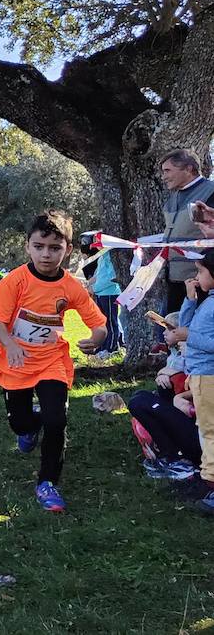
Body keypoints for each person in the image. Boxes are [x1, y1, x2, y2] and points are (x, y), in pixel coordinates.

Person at [0, 210, 106, 513]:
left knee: (57, 420)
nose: (46, 254)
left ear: (66, 249)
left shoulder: (70, 286)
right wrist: (11, 344)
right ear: (28, 246)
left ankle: (47, 482)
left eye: (55, 248)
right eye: (39, 247)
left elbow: (97, 322)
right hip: (17, 361)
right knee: (20, 422)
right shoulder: (14, 281)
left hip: (52, 360)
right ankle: (28, 427)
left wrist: (98, 338)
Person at [163, 252, 214, 514]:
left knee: (210, 430)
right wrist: (190, 300)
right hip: (200, 374)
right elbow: (186, 327)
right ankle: (207, 479)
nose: (197, 276)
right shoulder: (207, 303)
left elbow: (199, 338)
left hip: (210, 375)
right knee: (205, 427)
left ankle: (211, 484)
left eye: (201, 272)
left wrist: (189, 336)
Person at [156, 150, 214, 349]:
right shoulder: (172, 198)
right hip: (175, 278)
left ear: (189, 168)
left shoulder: (210, 192)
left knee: (197, 333)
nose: (163, 177)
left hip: (202, 282)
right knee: (173, 328)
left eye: (167, 170)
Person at [126, 331, 200, 481]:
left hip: (203, 437)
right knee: (141, 397)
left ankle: (176, 459)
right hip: (196, 426)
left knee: (139, 402)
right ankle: (171, 456)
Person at [81, 243, 125, 356]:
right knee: (103, 322)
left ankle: (111, 348)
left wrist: (94, 288)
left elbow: (111, 277)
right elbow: (98, 275)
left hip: (109, 293)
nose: (97, 247)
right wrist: (87, 284)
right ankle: (103, 347)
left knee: (110, 322)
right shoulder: (103, 255)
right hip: (101, 294)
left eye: (99, 244)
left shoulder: (111, 256)